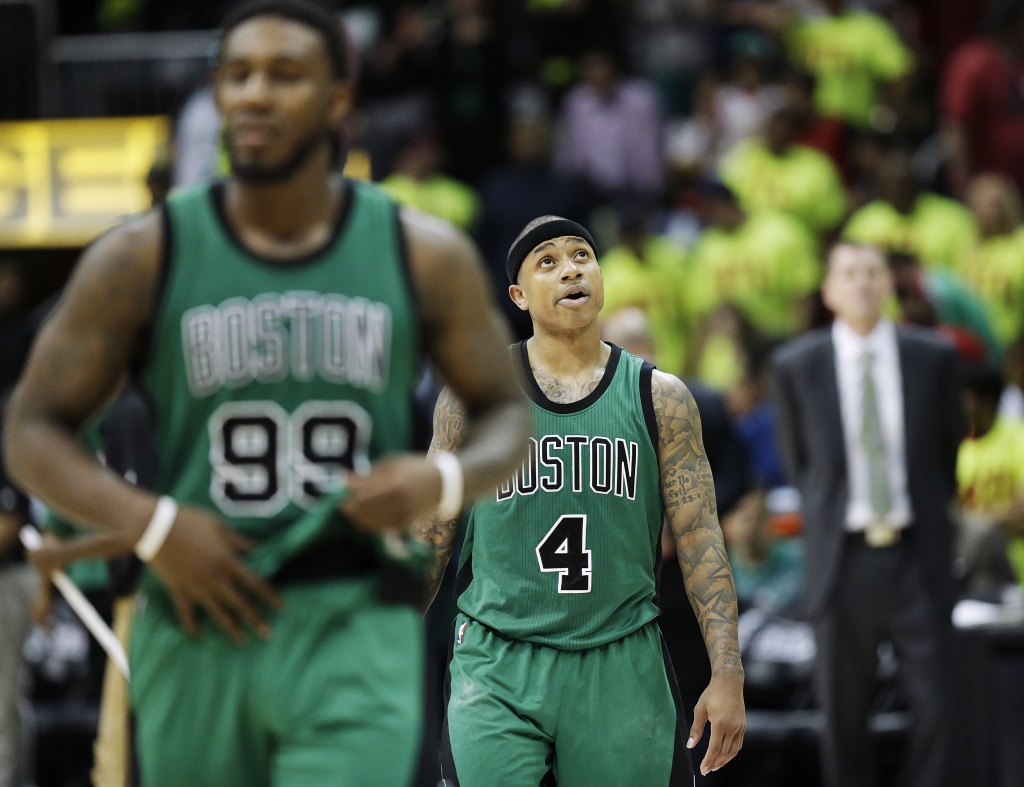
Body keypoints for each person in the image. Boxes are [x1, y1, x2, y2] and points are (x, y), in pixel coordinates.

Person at [3, 4, 532, 787]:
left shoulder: (421, 251)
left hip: (350, 618)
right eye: (237, 75)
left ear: (338, 101)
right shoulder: (142, 255)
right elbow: (32, 428)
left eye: (284, 75)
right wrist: (151, 524)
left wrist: (440, 479)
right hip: (193, 615)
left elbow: (505, 413)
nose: (254, 94)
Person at [415, 216, 746, 786]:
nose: (570, 268)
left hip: (620, 661)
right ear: (518, 295)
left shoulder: (660, 397)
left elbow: (700, 540)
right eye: (547, 261)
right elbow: (430, 537)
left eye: (581, 256)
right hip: (498, 661)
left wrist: (728, 671)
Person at [772, 242, 962, 787]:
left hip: (915, 554)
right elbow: (799, 466)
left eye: (872, 272)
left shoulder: (935, 357)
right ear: (829, 291)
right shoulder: (796, 366)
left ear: (888, 286)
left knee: (936, 708)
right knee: (843, 714)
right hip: (842, 558)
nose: (861, 283)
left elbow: (945, 457)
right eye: (848, 274)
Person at [476, 115, 588, 340]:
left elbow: (583, 247)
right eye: (523, 137)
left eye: (536, 136)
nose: (530, 143)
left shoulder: (566, 189)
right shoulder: (495, 188)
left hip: (558, 300)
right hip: (508, 303)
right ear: (511, 142)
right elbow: (482, 247)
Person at [686, 182, 821, 339]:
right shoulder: (707, 246)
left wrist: (799, 342)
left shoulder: (780, 232)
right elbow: (705, 312)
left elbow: (803, 294)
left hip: (781, 335)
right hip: (736, 349)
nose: (706, 217)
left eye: (709, 210)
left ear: (724, 204)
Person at [719, 107, 848, 236]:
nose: (779, 133)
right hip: (745, 244)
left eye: (785, 129)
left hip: (798, 246)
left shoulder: (816, 166)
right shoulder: (743, 157)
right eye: (774, 128)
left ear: (796, 134)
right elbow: (721, 202)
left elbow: (832, 219)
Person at [843, 148, 978, 271]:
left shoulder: (952, 217)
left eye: (903, 185)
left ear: (916, 184)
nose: (898, 192)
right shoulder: (864, 221)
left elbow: (967, 271)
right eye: (891, 186)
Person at [553, 50, 663, 200]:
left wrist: (651, 188)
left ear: (614, 68)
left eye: (602, 66)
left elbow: (650, 147)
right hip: (589, 191)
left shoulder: (641, 98)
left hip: (637, 190)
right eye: (592, 67)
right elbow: (571, 152)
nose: (599, 73)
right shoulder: (576, 101)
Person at [942, 0, 1024, 197]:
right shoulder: (973, 62)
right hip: (991, 189)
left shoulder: (1017, 61)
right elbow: (955, 127)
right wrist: (964, 186)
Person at [956, 364, 1024, 587]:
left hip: (1016, 572)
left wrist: (972, 522)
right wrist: (1001, 516)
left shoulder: (1018, 438)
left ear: (985, 400)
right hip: (968, 575)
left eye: (965, 397)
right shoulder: (950, 447)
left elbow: (1020, 518)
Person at [959, 174, 1024, 349]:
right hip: (973, 347)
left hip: (1013, 345)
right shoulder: (965, 245)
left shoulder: (1020, 244)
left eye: (996, 205)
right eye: (983, 205)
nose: (991, 212)